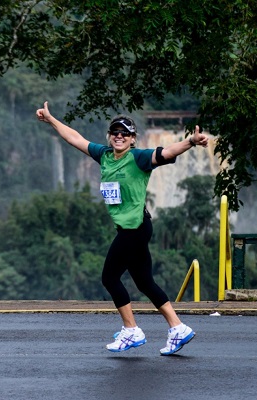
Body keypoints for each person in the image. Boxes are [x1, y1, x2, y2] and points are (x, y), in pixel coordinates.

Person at [36, 101, 209, 354]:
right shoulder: (104, 155)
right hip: (131, 229)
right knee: (144, 282)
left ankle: (131, 330)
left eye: (125, 133)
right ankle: (177, 327)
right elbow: (75, 138)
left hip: (135, 229)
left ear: (132, 139)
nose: (119, 136)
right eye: (115, 132)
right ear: (110, 136)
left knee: (109, 277)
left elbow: (166, 153)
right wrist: (52, 120)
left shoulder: (137, 158)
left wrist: (191, 142)